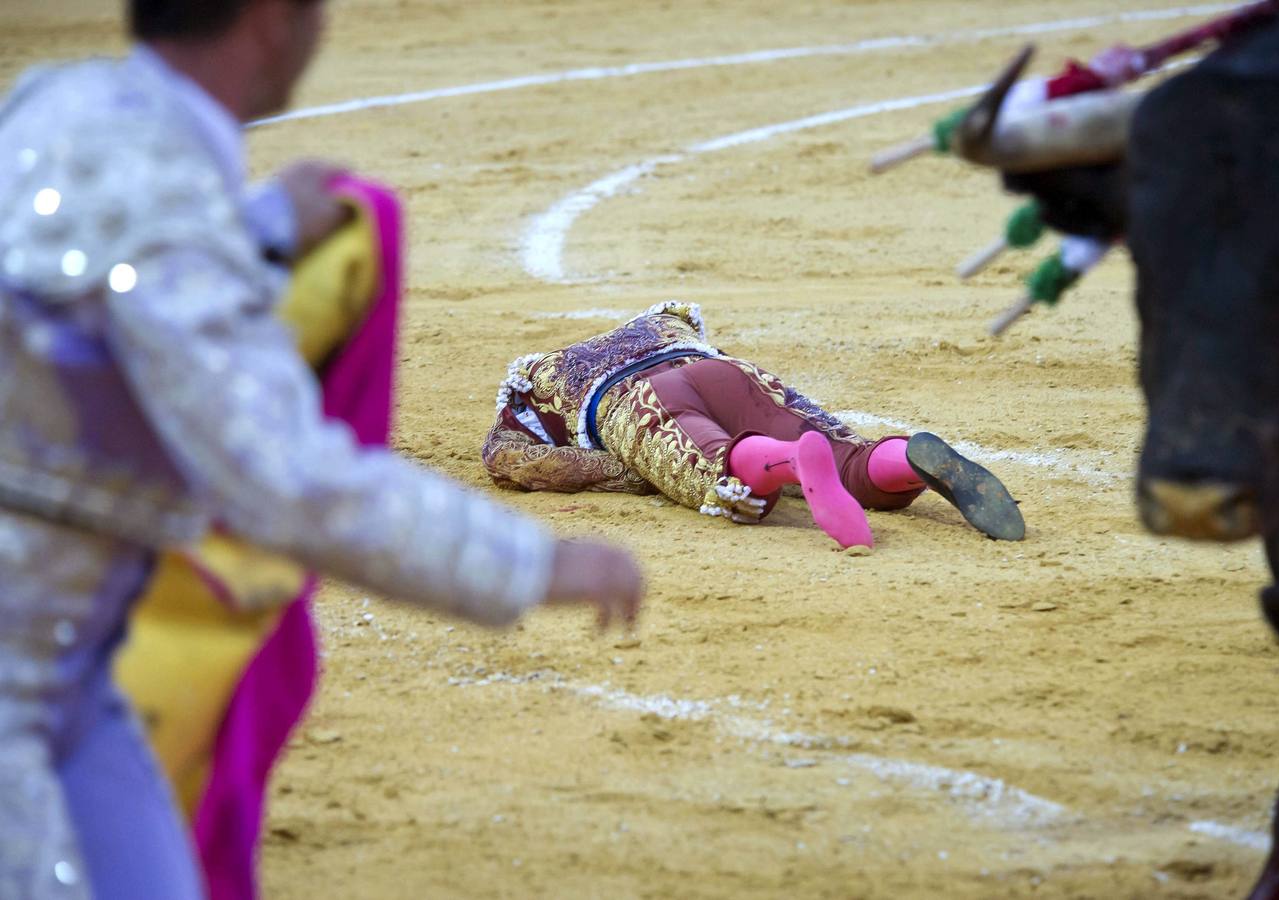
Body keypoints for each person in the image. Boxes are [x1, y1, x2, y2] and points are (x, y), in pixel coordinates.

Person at [0, 1, 642, 898]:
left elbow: (105, 283)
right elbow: (290, 483)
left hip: (71, 666)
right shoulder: (164, 200)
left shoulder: (54, 105)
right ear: (271, 19)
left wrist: (256, 233)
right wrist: (536, 564)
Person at [484, 301, 1025, 548]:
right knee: (848, 453)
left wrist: (635, 468)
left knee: (721, 471)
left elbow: (516, 461)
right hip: (721, 371)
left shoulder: (532, 387)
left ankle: (789, 463)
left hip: (635, 400)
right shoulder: (662, 320)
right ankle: (906, 459)